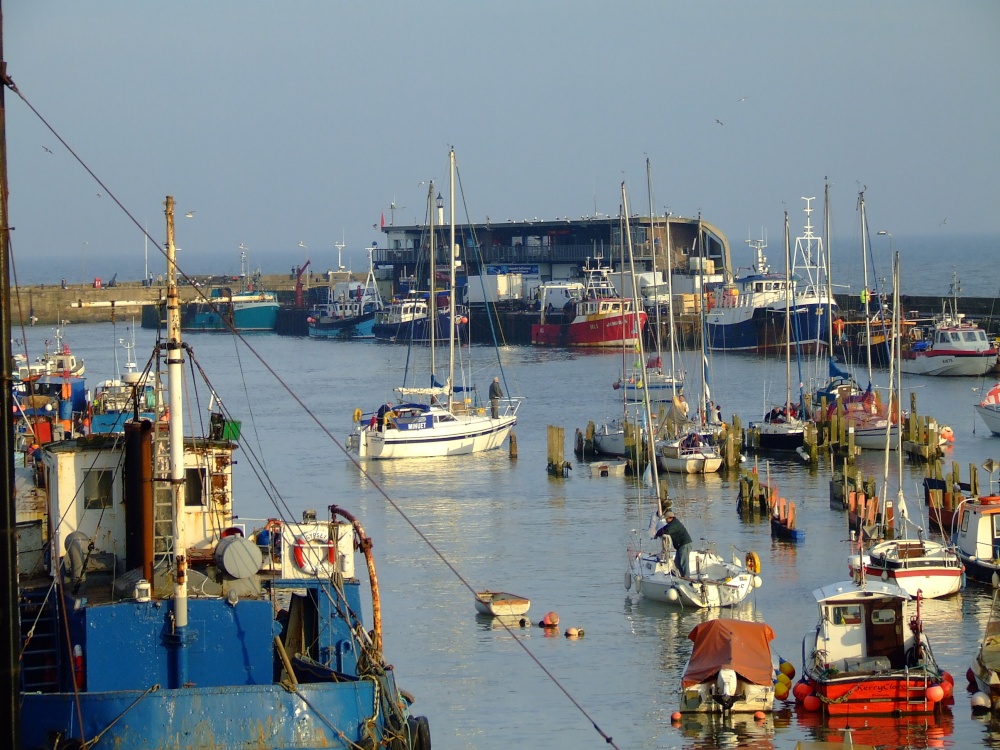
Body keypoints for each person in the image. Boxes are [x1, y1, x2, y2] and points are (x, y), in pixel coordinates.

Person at [654, 510, 693, 578]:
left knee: (684, 562)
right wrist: (657, 534)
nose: (666, 520)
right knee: (677, 563)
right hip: (680, 546)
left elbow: (667, 531)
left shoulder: (675, 524)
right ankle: (683, 576)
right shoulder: (671, 523)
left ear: (670, 518)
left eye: (666, 519)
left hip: (685, 544)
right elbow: (664, 528)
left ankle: (687, 578)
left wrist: (661, 532)